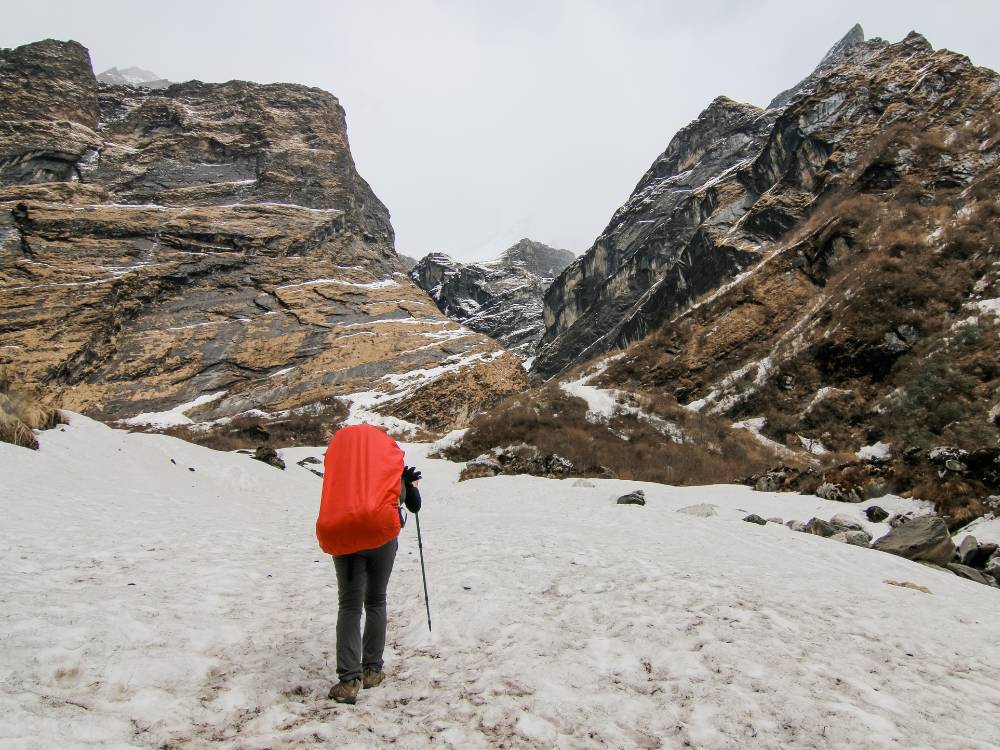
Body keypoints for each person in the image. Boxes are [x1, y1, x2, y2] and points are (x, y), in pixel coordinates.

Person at [321, 425, 422, 705]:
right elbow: (413, 505)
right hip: (381, 539)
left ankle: (348, 680)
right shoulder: (388, 471)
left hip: (345, 537)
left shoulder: (341, 468)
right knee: (376, 600)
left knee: (349, 606)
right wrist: (409, 483)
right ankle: (372, 671)